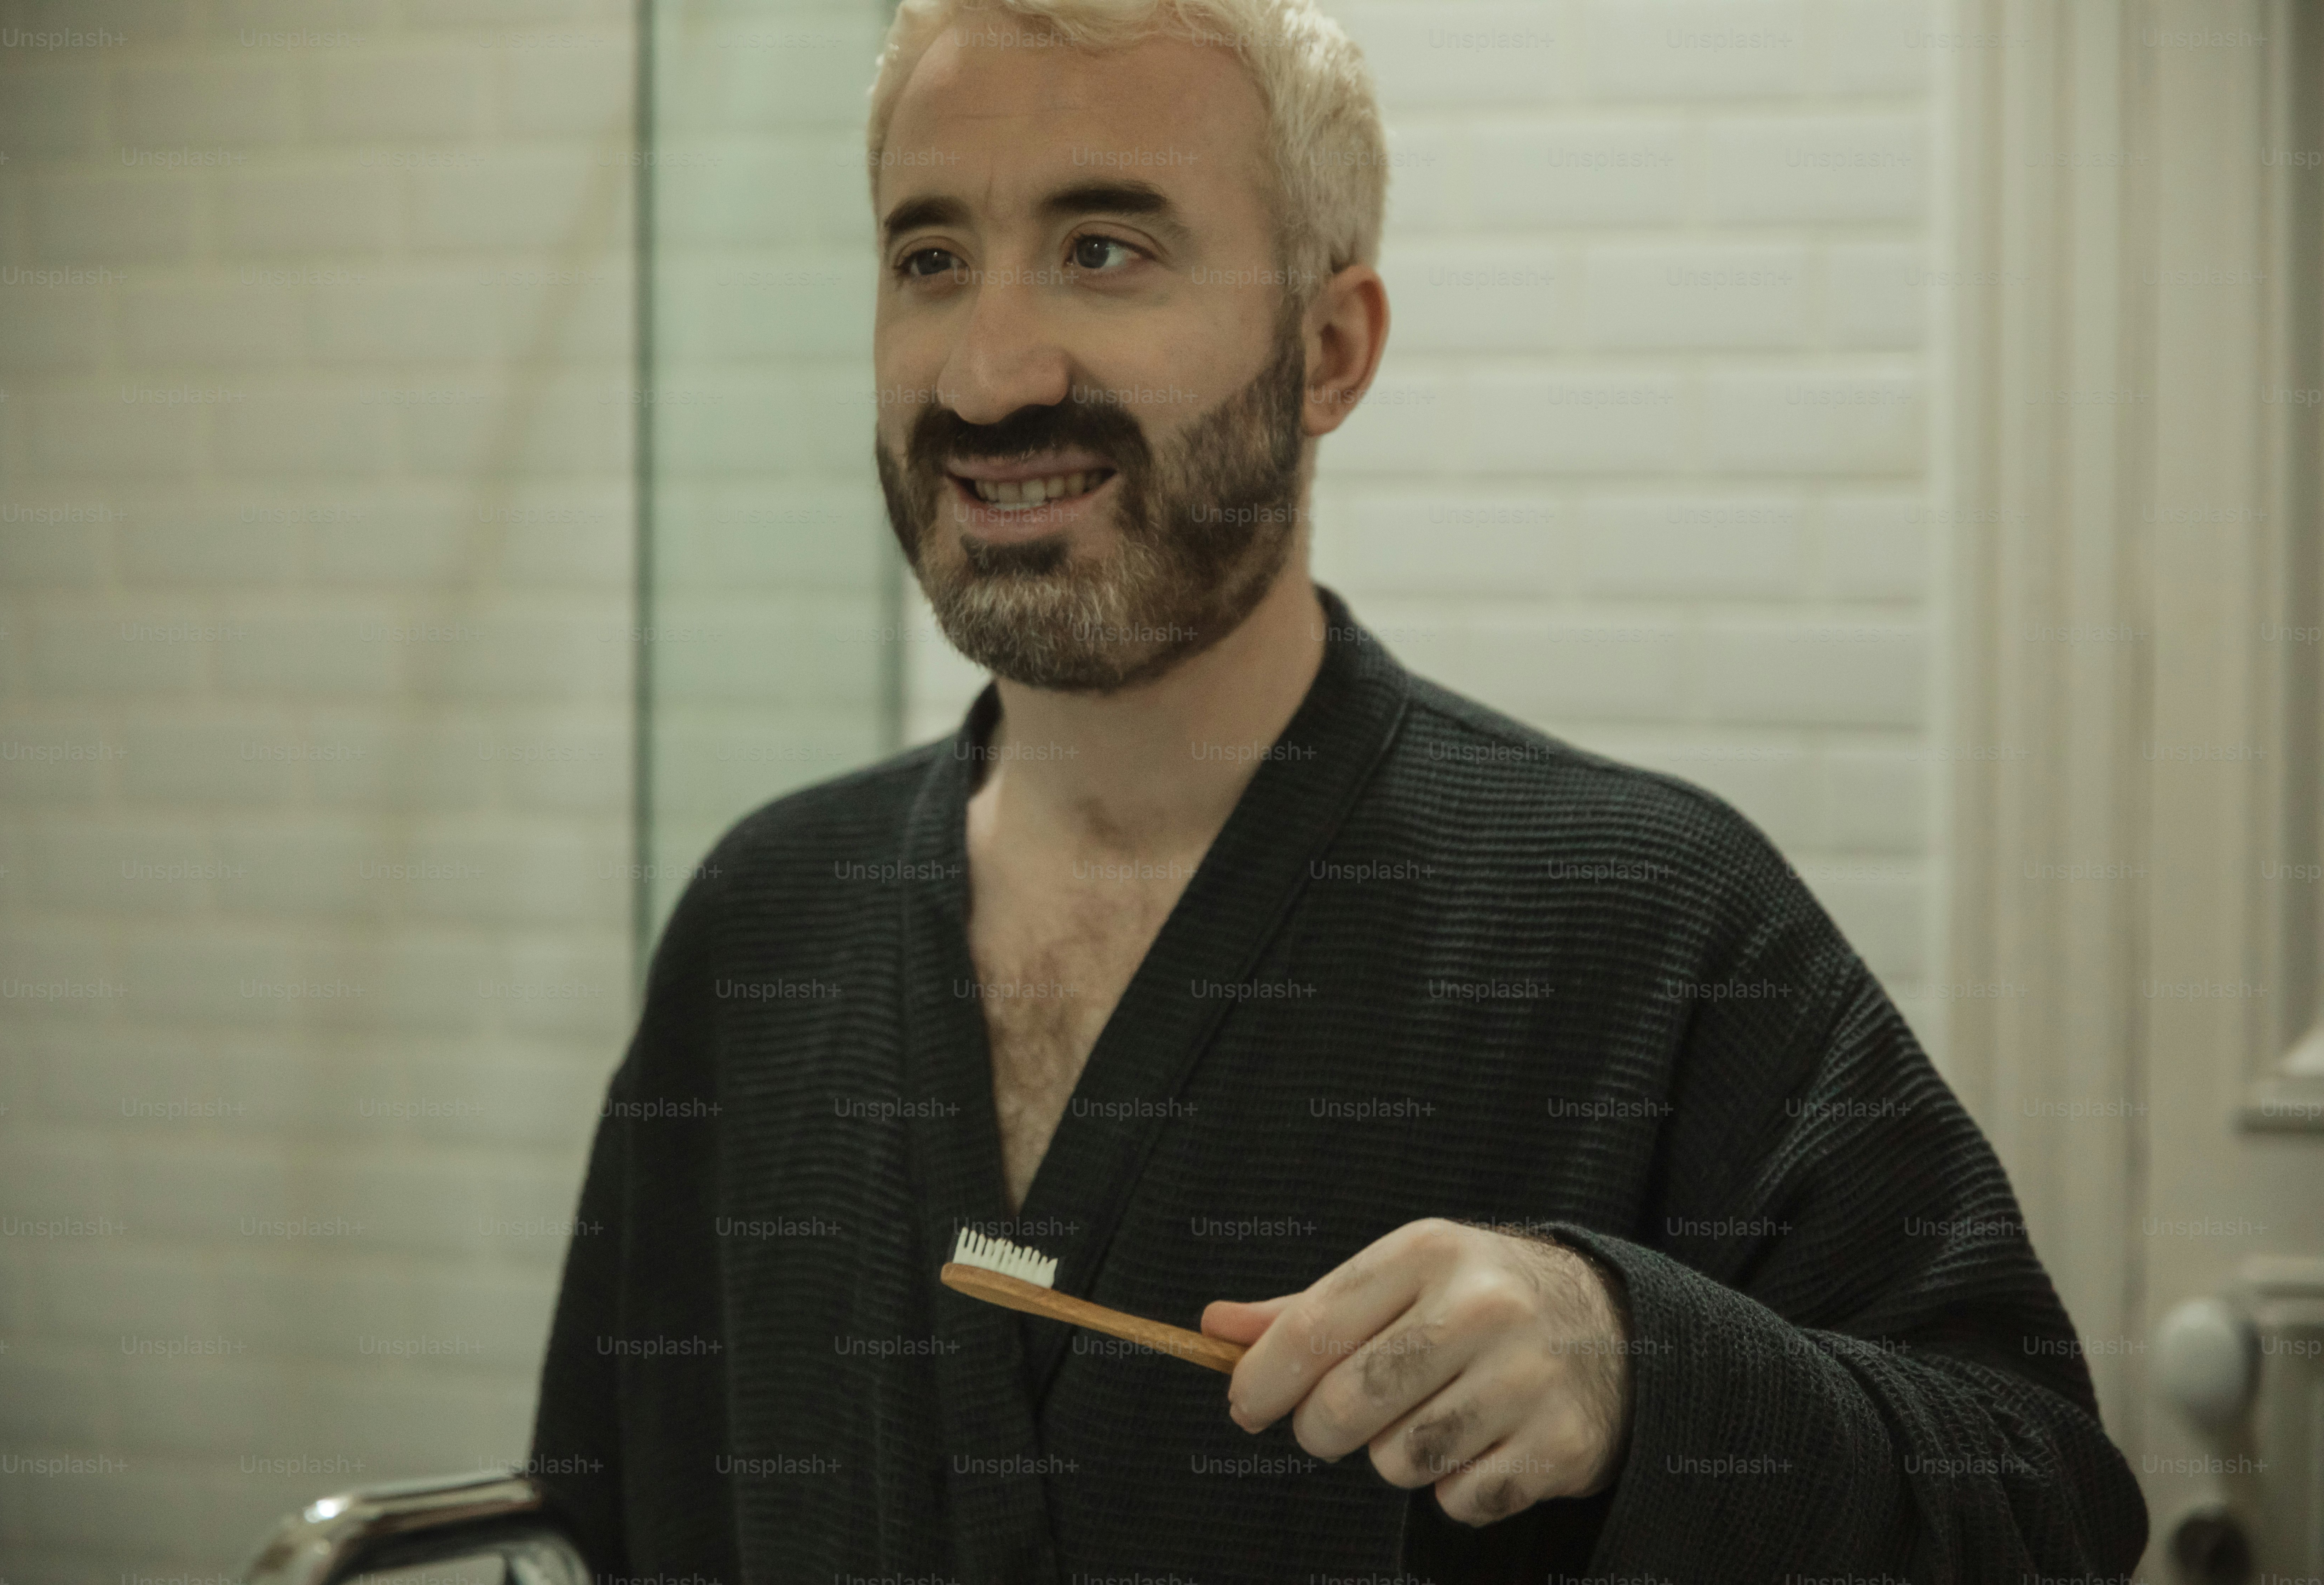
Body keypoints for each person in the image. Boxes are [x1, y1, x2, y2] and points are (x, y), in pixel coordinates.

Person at [528, 0, 2149, 1577]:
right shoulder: (767, 921)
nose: (989, 373)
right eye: (930, 259)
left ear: (1328, 350)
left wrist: (1637, 1365)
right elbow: (597, 1514)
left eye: (1106, 247)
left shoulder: (1639, 918)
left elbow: (2042, 1504)